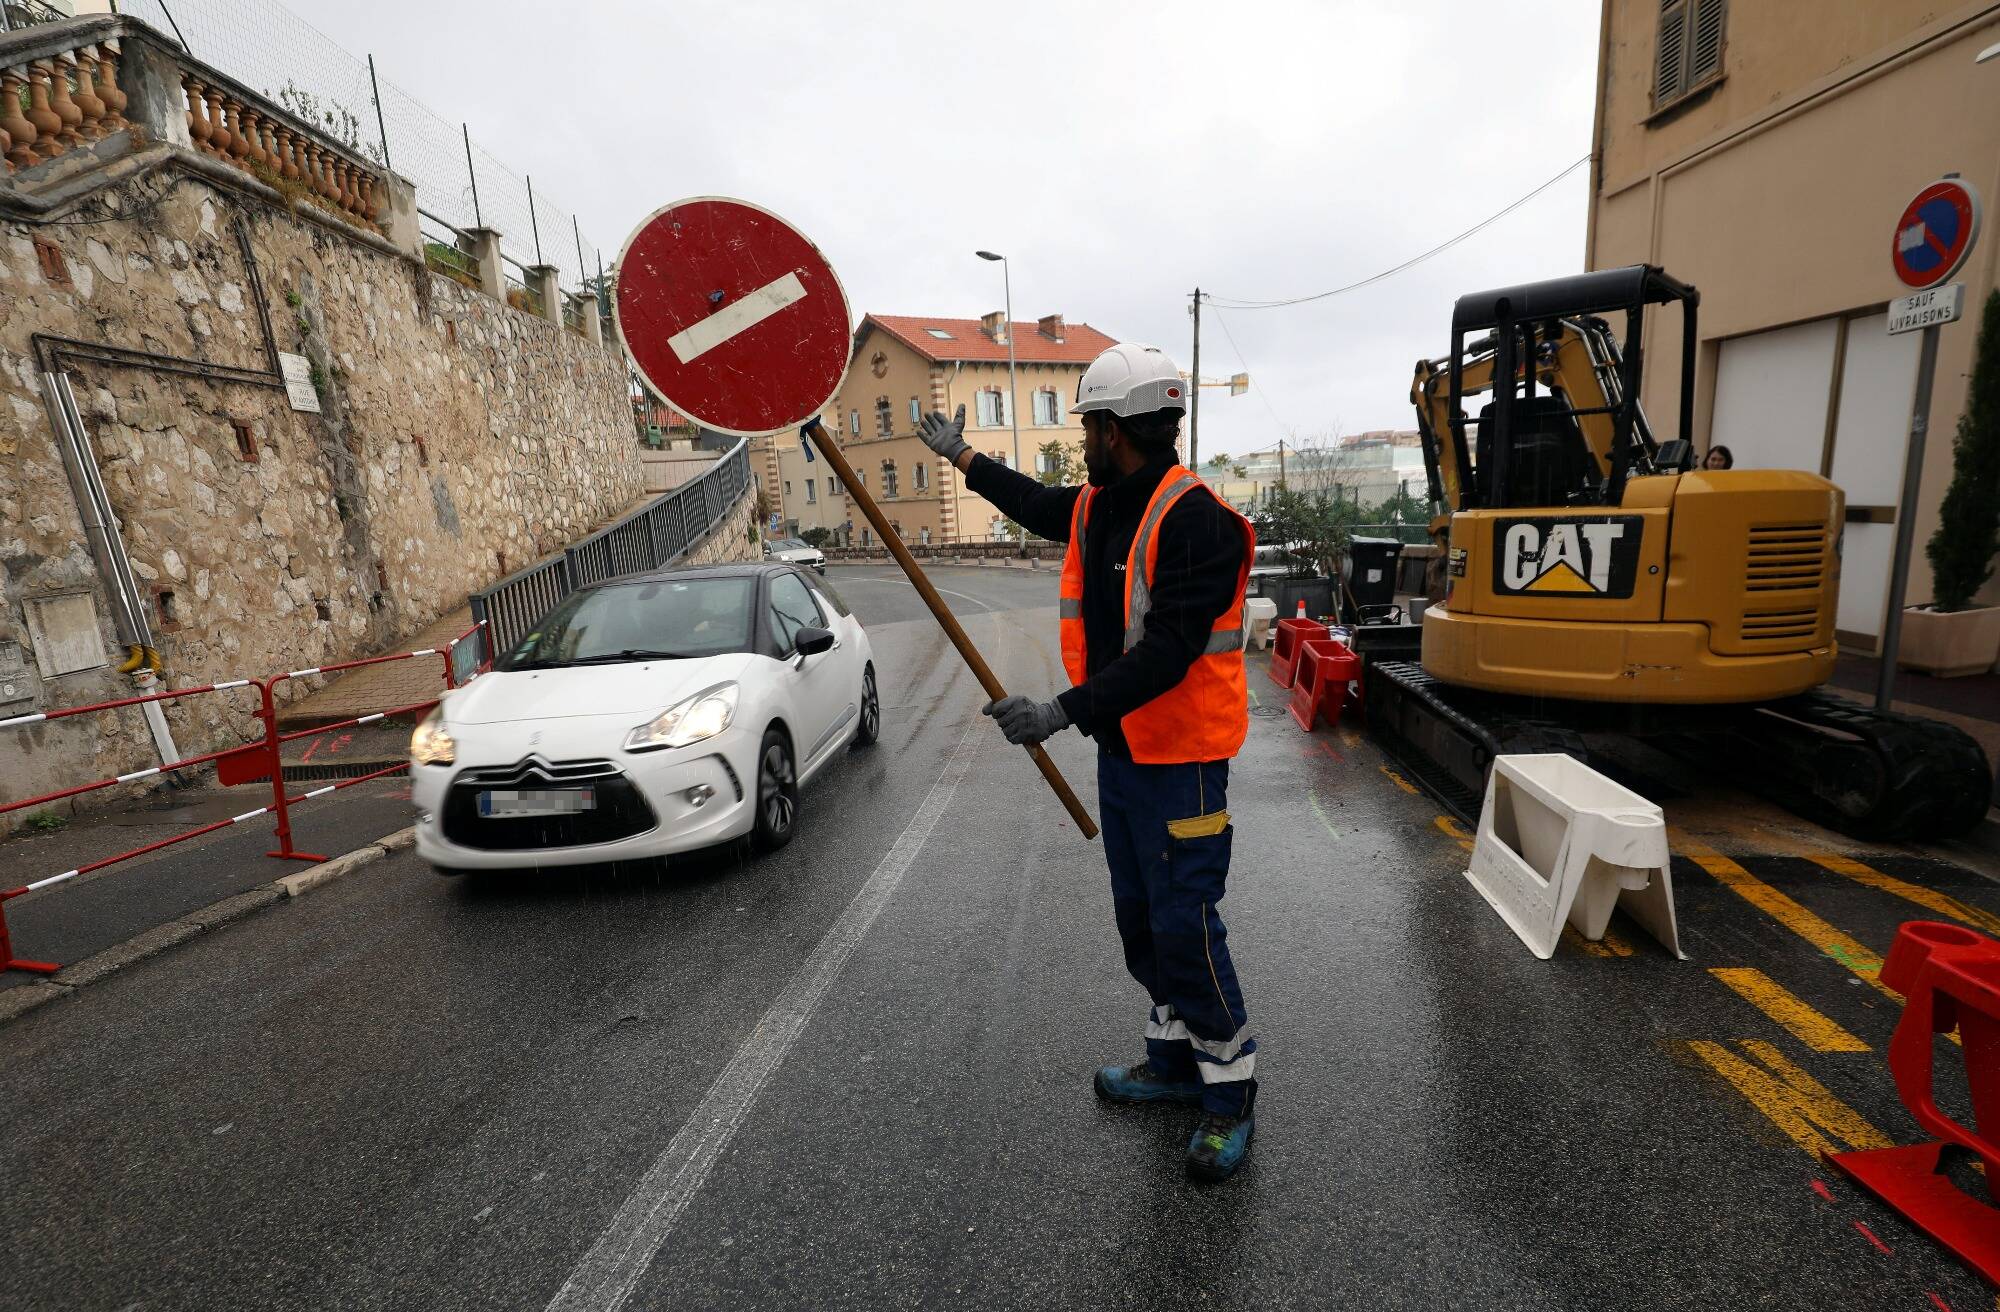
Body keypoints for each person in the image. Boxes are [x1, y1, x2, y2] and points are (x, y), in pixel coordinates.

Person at [917, 343, 1260, 1182]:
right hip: (1127, 754)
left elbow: (1170, 652)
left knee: (1185, 921)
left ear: (1119, 428)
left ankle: (1229, 1093)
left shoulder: (1194, 520)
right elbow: (1039, 503)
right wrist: (963, 458)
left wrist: (1058, 712)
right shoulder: (1101, 505)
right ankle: (1174, 1063)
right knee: (1140, 918)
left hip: (1183, 759)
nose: (1084, 441)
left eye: (1090, 426)